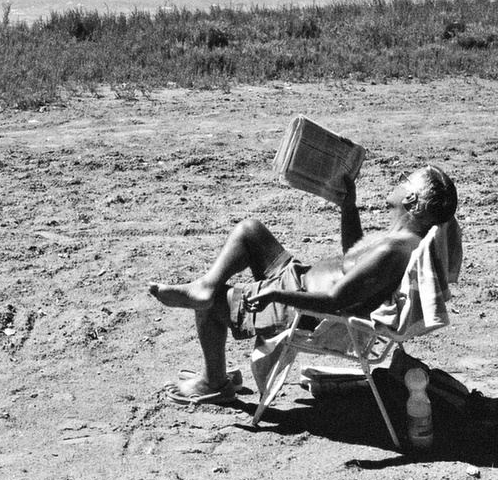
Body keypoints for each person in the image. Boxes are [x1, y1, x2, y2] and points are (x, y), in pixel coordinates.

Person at [147, 164, 459, 401]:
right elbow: (352, 260)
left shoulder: (395, 250)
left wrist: (276, 294)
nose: (398, 179)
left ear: (411, 198)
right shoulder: (399, 241)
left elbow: (337, 300)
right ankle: (205, 285)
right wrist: (348, 207)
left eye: (405, 178)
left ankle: (213, 381)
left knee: (214, 303)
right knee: (250, 231)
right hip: (299, 281)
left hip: (304, 311)